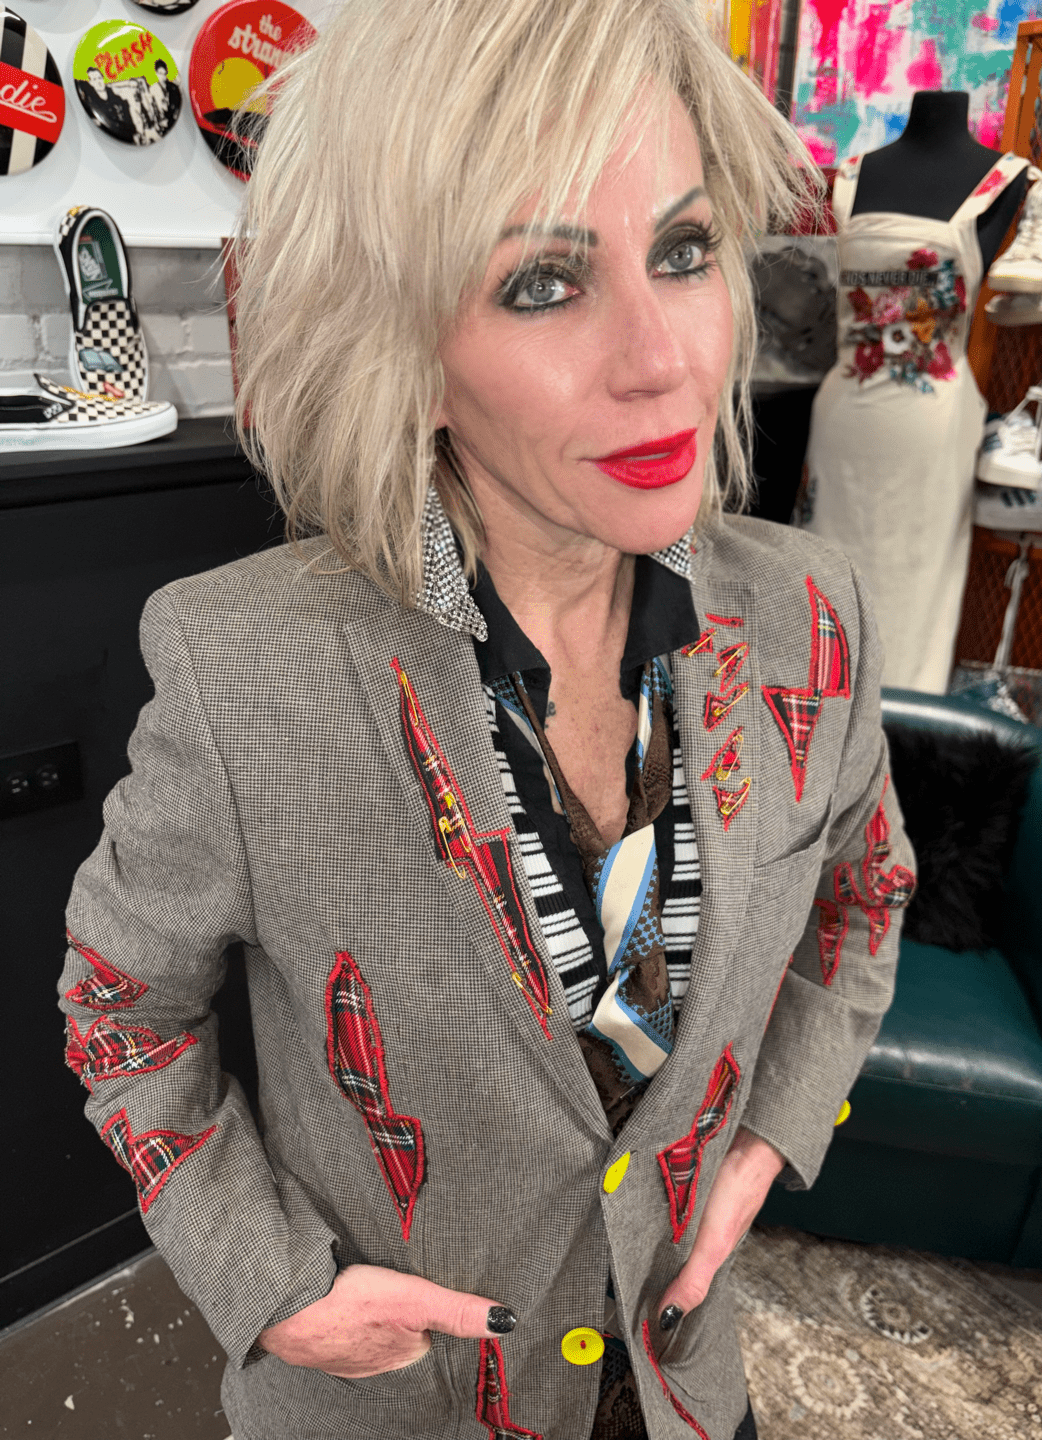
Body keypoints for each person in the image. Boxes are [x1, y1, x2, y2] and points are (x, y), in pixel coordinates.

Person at [59, 2, 915, 1438]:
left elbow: (868, 890)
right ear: (403, 342)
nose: (661, 359)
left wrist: (774, 1135)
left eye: (684, 251)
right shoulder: (246, 671)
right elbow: (118, 1009)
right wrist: (273, 1285)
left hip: (682, 1382)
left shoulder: (808, 619)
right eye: (542, 283)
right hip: (411, 1404)